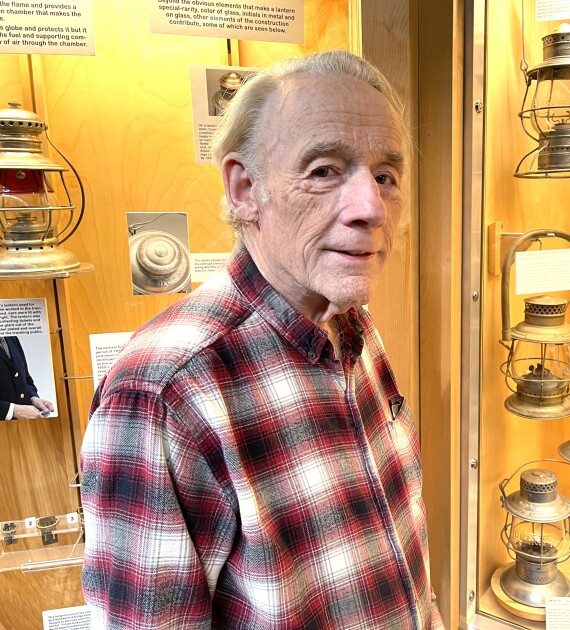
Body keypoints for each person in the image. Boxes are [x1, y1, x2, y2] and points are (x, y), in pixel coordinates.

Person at [80, 50, 444, 629]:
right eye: (324, 170)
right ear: (245, 188)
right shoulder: (163, 393)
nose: (371, 208)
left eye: (385, 176)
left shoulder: (351, 325)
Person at [0, 335, 54, 420]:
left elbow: (25, 378)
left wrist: (32, 398)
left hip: (22, 424)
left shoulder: (10, 336)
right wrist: (13, 410)